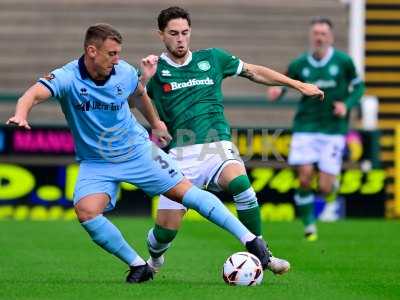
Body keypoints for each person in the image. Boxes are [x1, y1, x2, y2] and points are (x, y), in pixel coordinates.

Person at [7, 23, 274, 284]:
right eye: (111, 53)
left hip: (138, 151)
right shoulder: (67, 77)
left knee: (185, 193)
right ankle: (137, 265)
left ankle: (250, 239)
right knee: (87, 212)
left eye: (118, 53)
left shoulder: (123, 71)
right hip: (96, 161)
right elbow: (32, 94)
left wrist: (156, 123)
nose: (117, 59)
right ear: (91, 51)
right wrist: (21, 114)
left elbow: (139, 95)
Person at [144, 6, 324, 274]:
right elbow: (133, 102)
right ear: (161, 35)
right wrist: (144, 83)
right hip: (179, 155)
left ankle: (262, 252)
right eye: (173, 33)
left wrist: (297, 85)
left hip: (217, 146)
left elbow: (253, 71)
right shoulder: (153, 70)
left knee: (241, 183)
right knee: (163, 235)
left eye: (185, 32)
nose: (180, 39)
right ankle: (156, 259)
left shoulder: (213, 58)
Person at [268, 17, 365, 241]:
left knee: (325, 186)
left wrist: (346, 105)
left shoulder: (343, 62)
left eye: (323, 33)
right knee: (303, 178)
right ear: (312, 36)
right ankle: (309, 225)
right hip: (305, 127)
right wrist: (278, 93)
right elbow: (286, 81)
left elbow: (359, 86)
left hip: (333, 130)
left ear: (330, 37)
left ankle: (331, 186)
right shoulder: (300, 63)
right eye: (316, 33)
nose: (319, 37)